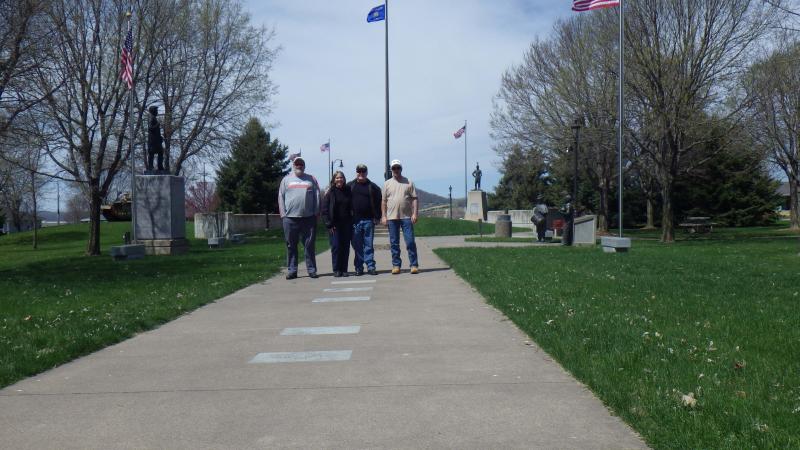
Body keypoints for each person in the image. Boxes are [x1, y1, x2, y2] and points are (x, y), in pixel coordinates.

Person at [278, 157, 322, 279]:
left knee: (309, 245)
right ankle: (292, 270)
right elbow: (281, 197)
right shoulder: (286, 180)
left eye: (301, 164)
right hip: (290, 218)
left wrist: (316, 212)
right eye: (297, 164)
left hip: (308, 218)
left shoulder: (311, 179)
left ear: (304, 166)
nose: (299, 166)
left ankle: (312, 270)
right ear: (293, 165)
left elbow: (317, 195)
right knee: (291, 246)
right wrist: (283, 214)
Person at [381, 159, 419, 274]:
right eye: (394, 168)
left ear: (401, 169)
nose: (396, 170)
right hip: (392, 218)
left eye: (398, 168)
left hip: (407, 217)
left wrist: (415, 213)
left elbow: (415, 199)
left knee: (410, 241)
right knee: (394, 243)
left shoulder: (409, 182)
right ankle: (396, 265)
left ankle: (414, 265)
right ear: (391, 170)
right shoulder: (386, 184)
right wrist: (383, 216)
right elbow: (383, 201)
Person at [347, 164, 382, 276]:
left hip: (368, 221)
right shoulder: (349, 186)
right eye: (359, 171)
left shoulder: (373, 187)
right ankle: (359, 267)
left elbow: (379, 202)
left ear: (366, 173)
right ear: (356, 172)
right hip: (355, 221)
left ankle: (371, 267)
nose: (361, 173)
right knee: (357, 246)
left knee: (368, 245)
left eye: (363, 171)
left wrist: (378, 217)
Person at [321, 171, 353, 277]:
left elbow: (352, 207)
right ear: (334, 180)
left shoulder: (348, 191)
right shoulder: (330, 192)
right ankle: (336, 269)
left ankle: (344, 269)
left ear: (344, 179)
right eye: (337, 178)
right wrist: (329, 224)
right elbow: (324, 210)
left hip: (347, 224)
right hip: (334, 225)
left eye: (341, 178)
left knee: (345, 247)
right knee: (336, 247)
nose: (339, 179)